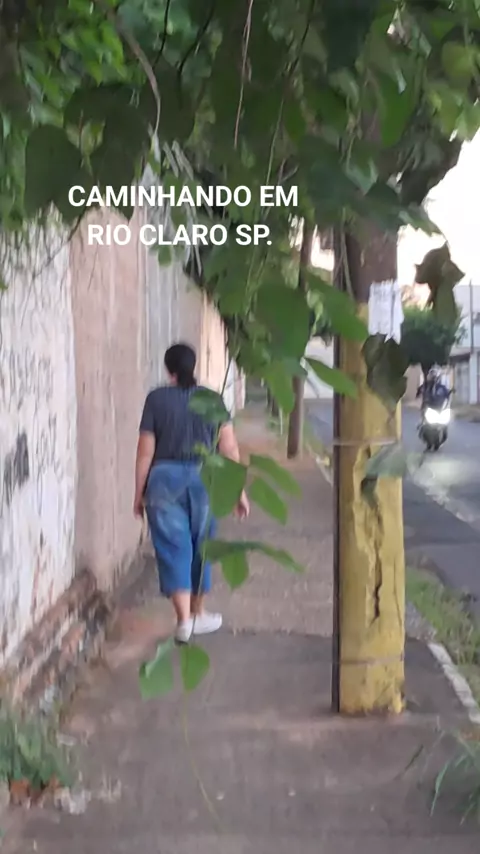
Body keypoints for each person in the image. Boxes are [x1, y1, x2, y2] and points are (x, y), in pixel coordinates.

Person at [133, 343, 249, 644]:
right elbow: (229, 448)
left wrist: (139, 493)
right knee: (202, 547)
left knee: (174, 549)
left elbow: (145, 452)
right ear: (193, 366)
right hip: (205, 480)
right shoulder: (213, 400)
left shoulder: (156, 399)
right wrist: (238, 491)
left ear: (168, 369)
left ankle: (184, 621)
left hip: (163, 481)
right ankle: (199, 614)